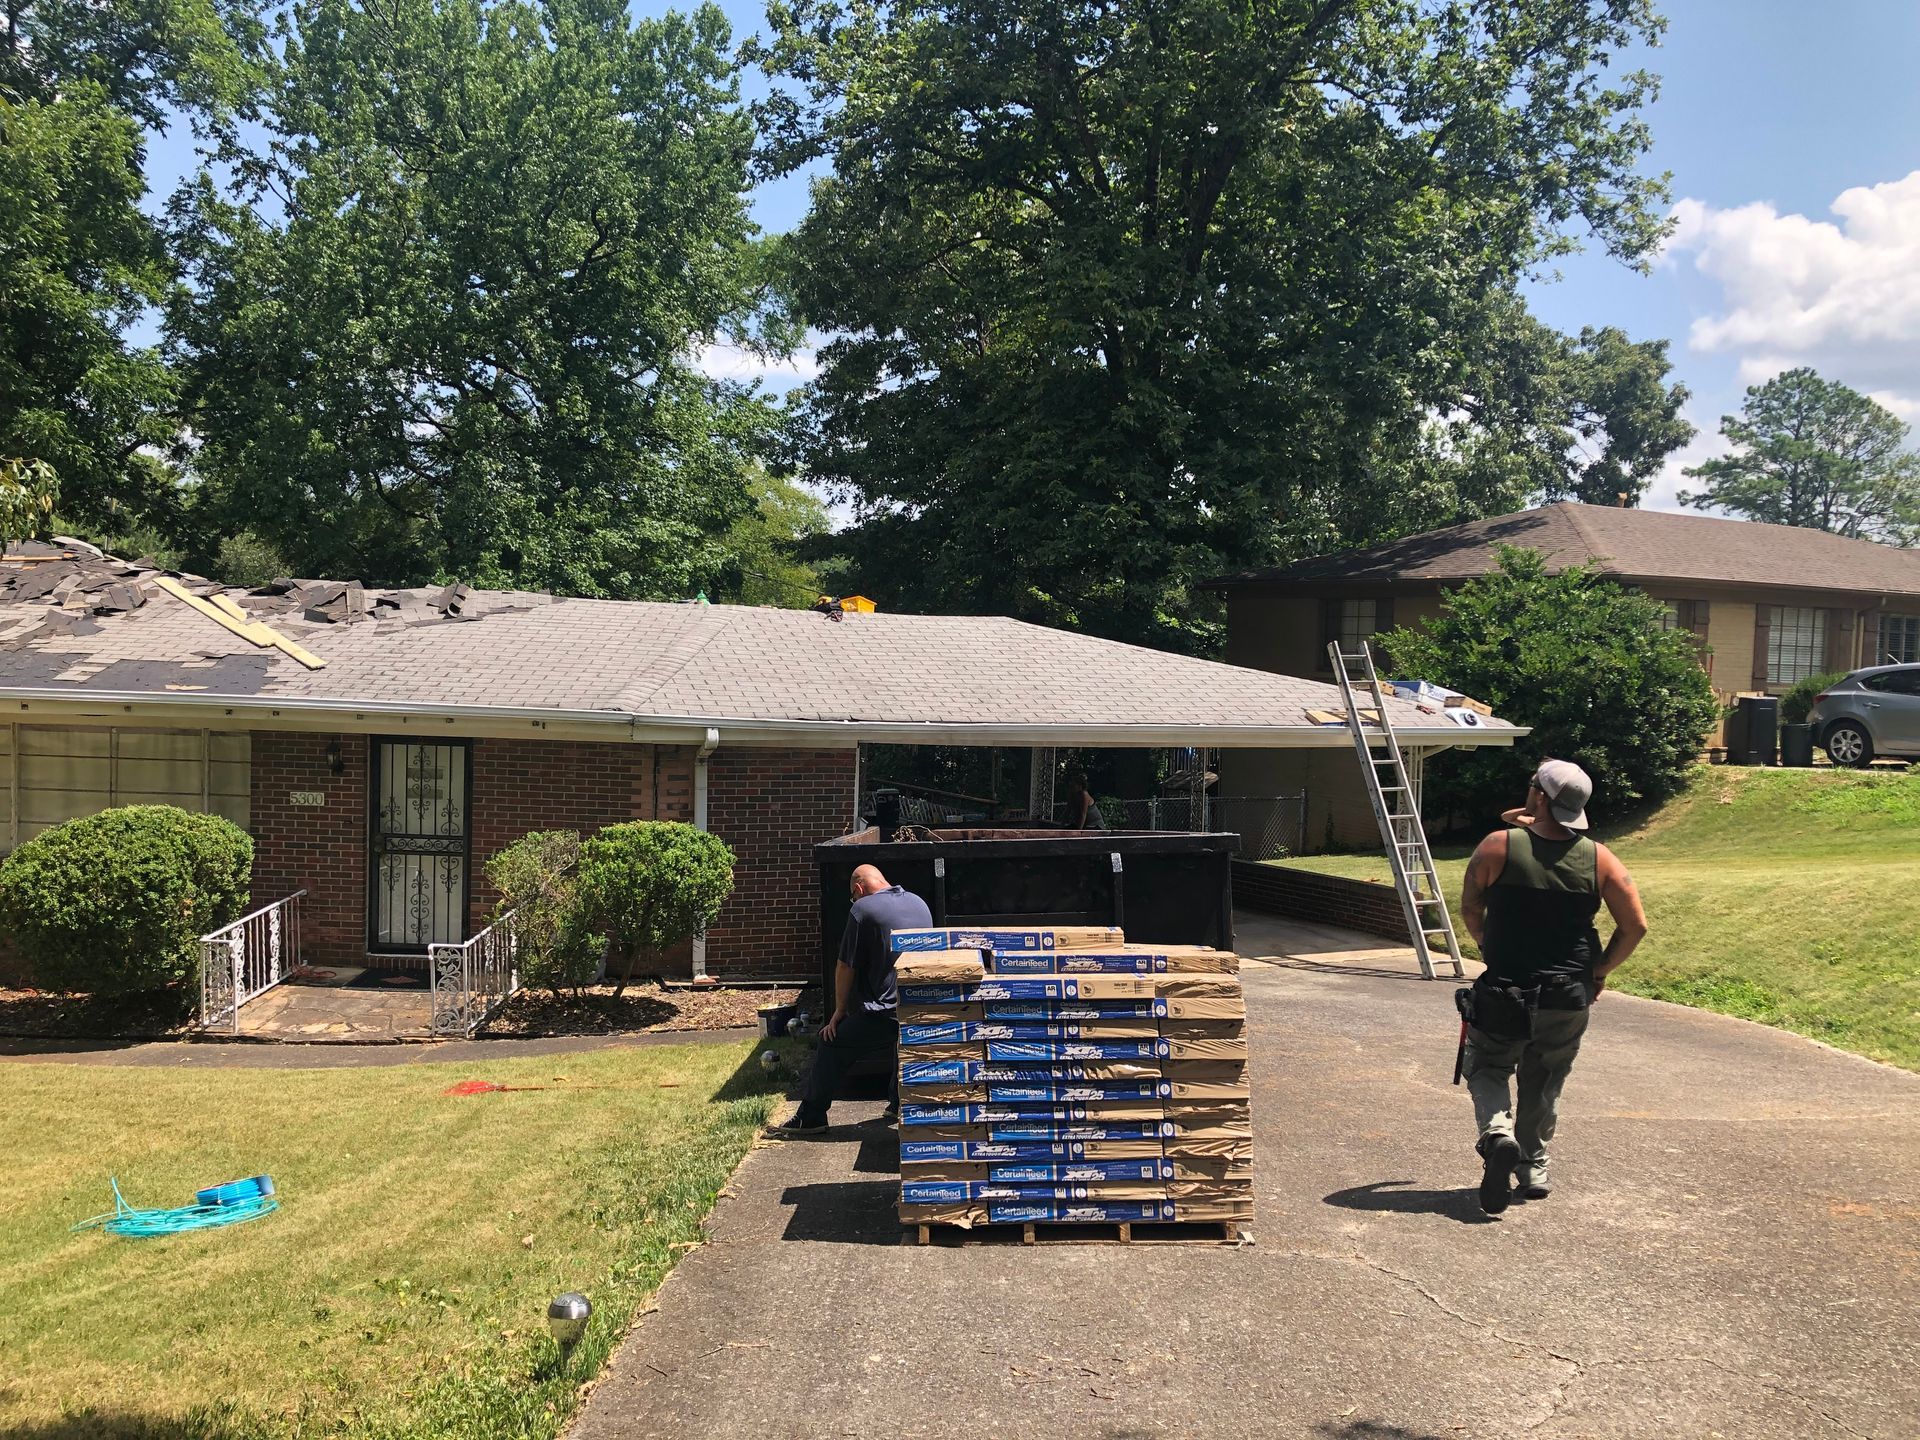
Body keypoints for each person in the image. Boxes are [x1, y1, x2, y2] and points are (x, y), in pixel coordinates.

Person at [1457, 759, 1648, 1214]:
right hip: (1568, 994)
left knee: (1487, 1068)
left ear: (1540, 797)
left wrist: (1487, 943)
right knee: (1544, 1080)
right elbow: (1635, 926)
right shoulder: (1601, 858)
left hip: (1506, 987)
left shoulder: (1496, 847)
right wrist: (1599, 972)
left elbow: (1470, 907)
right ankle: (1533, 1168)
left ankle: (1497, 1135)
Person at [768, 864, 931, 1136]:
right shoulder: (918, 903)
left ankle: (811, 1117)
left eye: (852, 896)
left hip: (885, 1013)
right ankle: (898, 1103)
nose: (853, 901)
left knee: (831, 1042)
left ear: (858, 888)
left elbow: (845, 966)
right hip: (921, 1005)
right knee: (902, 1040)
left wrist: (838, 1012)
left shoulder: (862, 910)